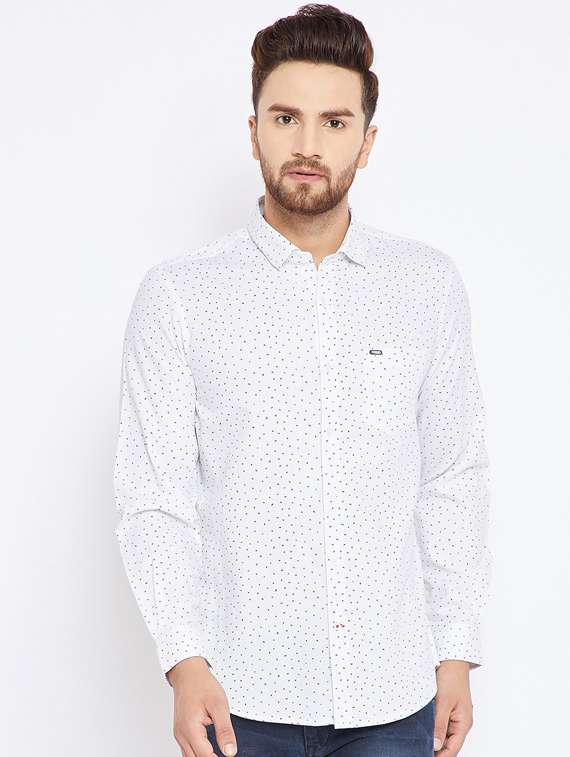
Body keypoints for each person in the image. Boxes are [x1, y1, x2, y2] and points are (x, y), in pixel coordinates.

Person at [112, 4, 493, 756]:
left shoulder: (427, 286)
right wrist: (184, 663)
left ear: (367, 140)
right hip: (238, 699)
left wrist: (456, 652)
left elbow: (454, 475)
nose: (309, 145)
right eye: (286, 118)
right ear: (253, 130)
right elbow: (154, 496)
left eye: (335, 122)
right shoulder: (180, 295)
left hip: (394, 697)